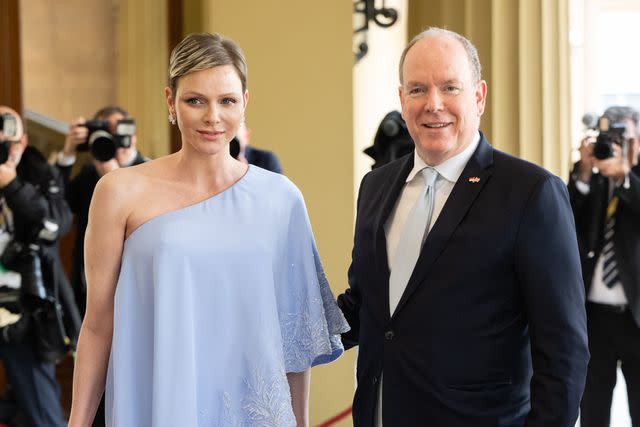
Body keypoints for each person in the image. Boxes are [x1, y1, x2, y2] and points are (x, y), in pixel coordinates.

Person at [68, 32, 348, 426]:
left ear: (245, 102)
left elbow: (296, 341)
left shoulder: (281, 200)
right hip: (157, 406)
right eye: (195, 100)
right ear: (171, 101)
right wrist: (77, 422)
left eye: (227, 101)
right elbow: (98, 326)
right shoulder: (118, 192)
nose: (212, 117)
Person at [337, 27, 589, 426]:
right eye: (418, 90)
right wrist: (282, 338)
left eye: (450, 87)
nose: (433, 104)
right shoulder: (375, 186)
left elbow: (563, 350)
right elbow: (367, 304)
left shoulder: (531, 193)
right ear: (402, 100)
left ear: (479, 96)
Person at [0, 106, 80, 427]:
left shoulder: (35, 173)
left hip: (25, 312)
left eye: (11, 138)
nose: (6, 147)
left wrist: (12, 185)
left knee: (42, 412)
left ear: (24, 140)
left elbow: (56, 223)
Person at [568, 105, 640, 427]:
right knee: (594, 408)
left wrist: (625, 175)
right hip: (594, 317)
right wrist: (583, 173)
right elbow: (566, 221)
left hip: (636, 316)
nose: (615, 146)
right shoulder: (592, 178)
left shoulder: (632, 181)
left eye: (624, 138)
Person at [56, 106, 148, 317]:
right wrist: (67, 153)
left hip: (133, 292)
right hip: (86, 287)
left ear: (133, 137)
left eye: (120, 132)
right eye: (108, 134)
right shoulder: (89, 173)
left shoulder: (151, 172)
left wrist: (114, 177)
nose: (115, 142)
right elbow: (57, 206)